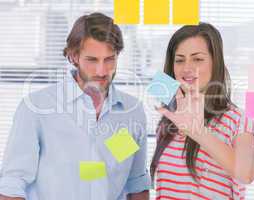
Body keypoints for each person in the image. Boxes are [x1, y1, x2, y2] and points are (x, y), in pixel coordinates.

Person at [0, 12, 151, 200]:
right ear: (73, 57)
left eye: (109, 59)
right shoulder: (37, 108)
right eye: (92, 60)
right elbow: (13, 183)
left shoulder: (132, 112)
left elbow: (136, 182)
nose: (102, 71)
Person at [150, 23, 254, 200]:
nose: (187, 68)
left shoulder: (237, 119)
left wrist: (198, 132)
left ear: (215, 63)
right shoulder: (170, 119)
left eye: (197, 59)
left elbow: (246, 174)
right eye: (179, 60)